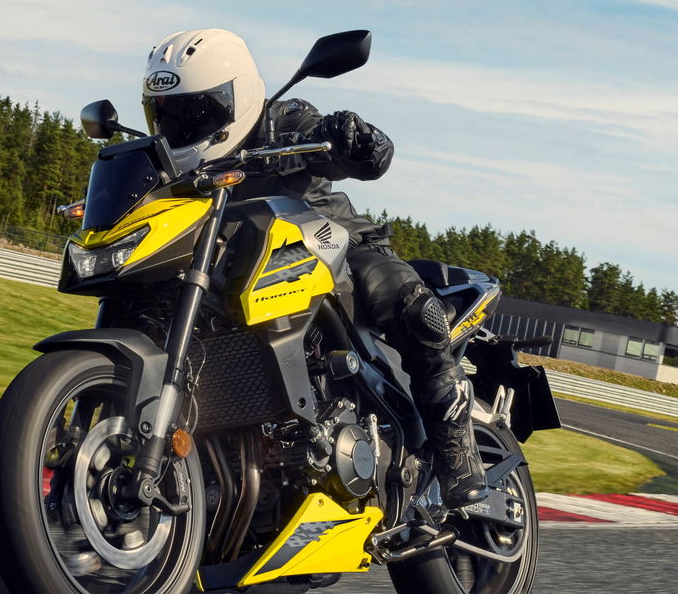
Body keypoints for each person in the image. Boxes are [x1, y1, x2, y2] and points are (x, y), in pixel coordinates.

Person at [138, 28, 487, 508]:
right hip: (228, 269)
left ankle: (457, 456)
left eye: (195, 113)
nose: (179, 128)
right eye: (167, 116)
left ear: (235, 100)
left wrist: (351, 137)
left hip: (327, 246)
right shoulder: (167, 160)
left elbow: (373, 156)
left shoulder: (286, 120)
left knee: (414, 311)